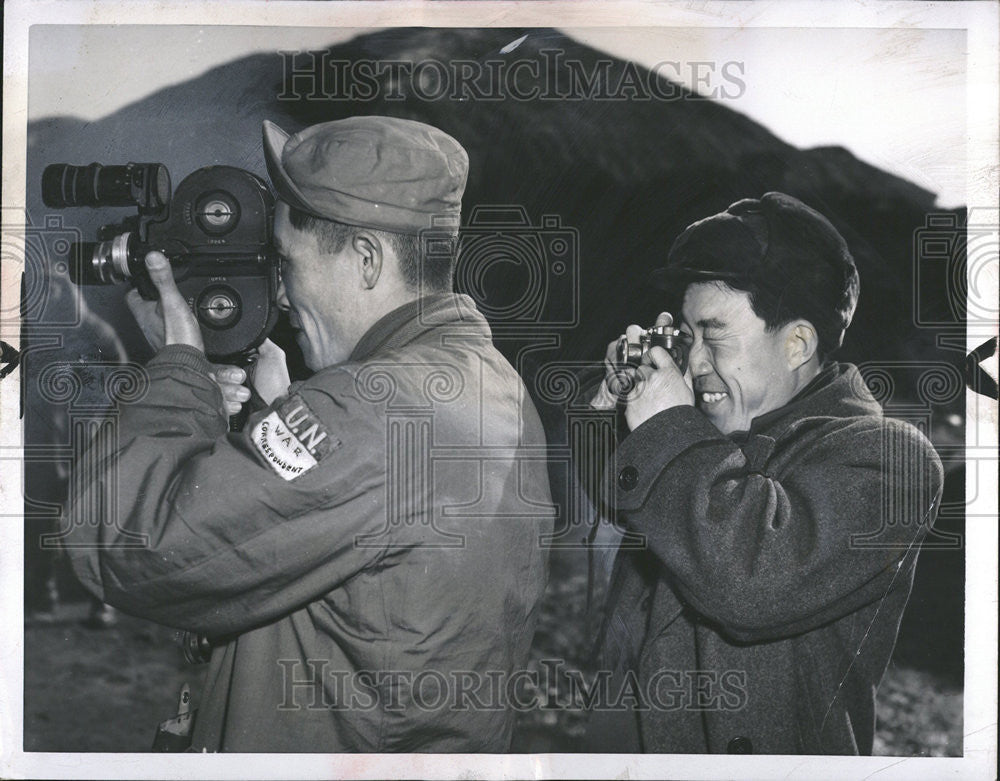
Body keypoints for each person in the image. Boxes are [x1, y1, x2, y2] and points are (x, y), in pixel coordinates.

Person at [64, 116, 553, 752]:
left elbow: (125, 544)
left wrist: (178, 371)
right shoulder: (489, 381)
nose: (283, 296)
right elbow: (346, 569)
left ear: (368, 260)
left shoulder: (368, 412)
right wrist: (284, 408)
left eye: (287, 263)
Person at [585, 192, 943, 754]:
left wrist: (669, 426)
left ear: (798, 343)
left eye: (716, 335)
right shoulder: (716, 429)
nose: (694, 361)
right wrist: (618, 411)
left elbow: (748, 585)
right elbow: (617, 496)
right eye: (688, 335)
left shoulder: (890, 458)